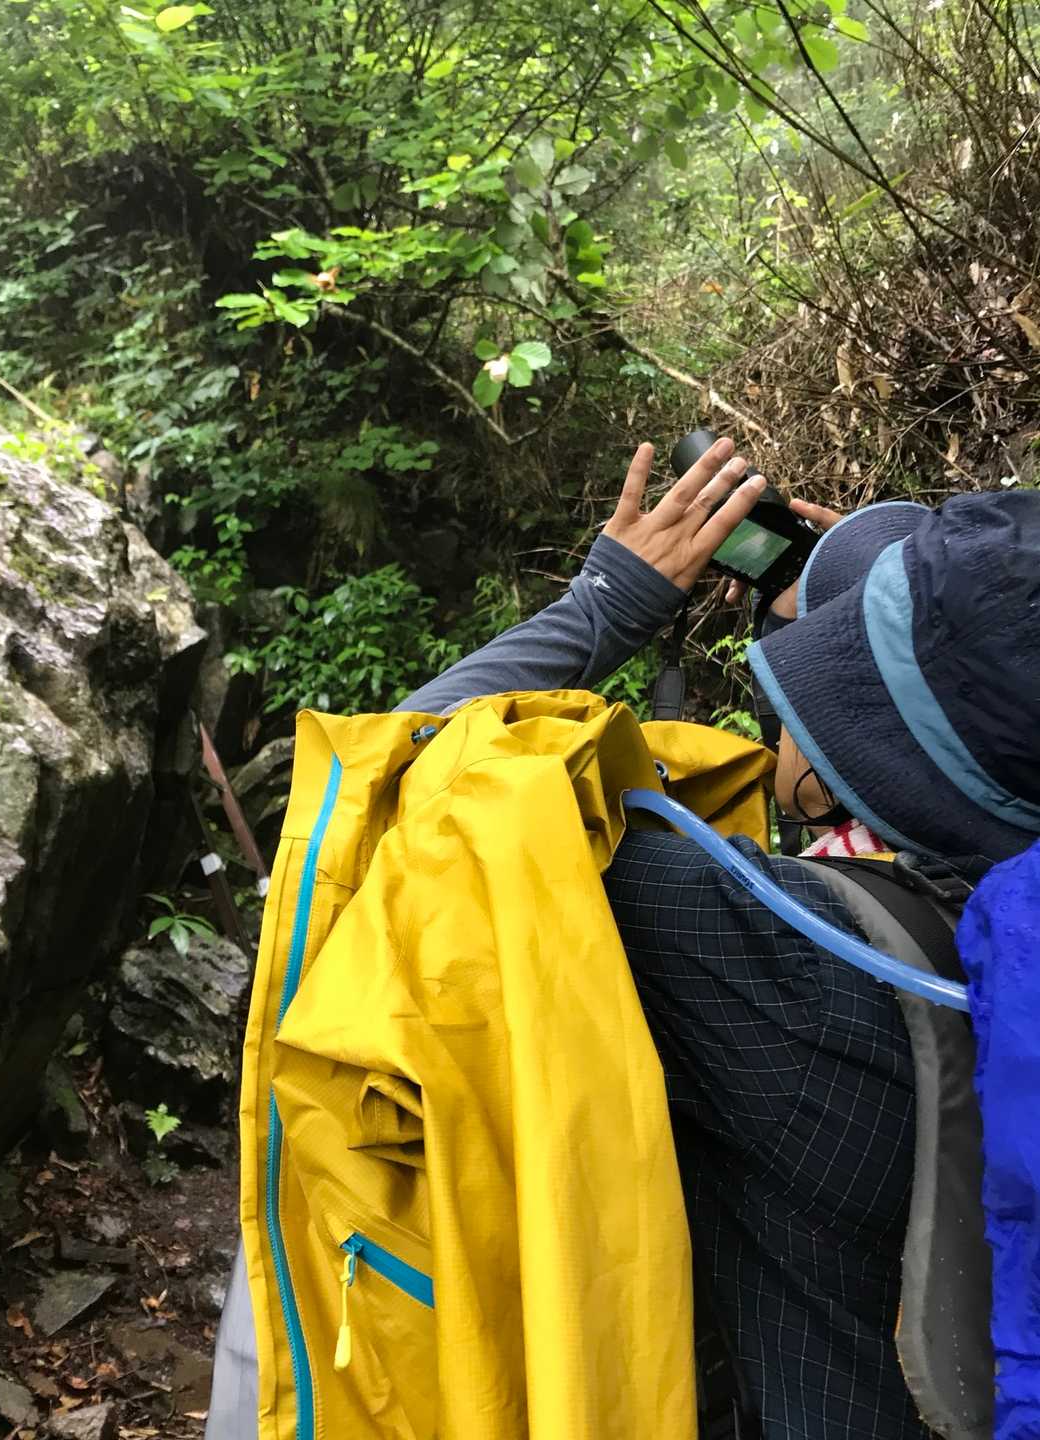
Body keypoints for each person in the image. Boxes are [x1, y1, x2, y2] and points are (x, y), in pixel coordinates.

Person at [208, 437, 1040, 1440]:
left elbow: (381, 817)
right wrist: (866, 626)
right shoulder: (988, 940)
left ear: (852, 765)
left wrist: (606, 604)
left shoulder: (763, 946)